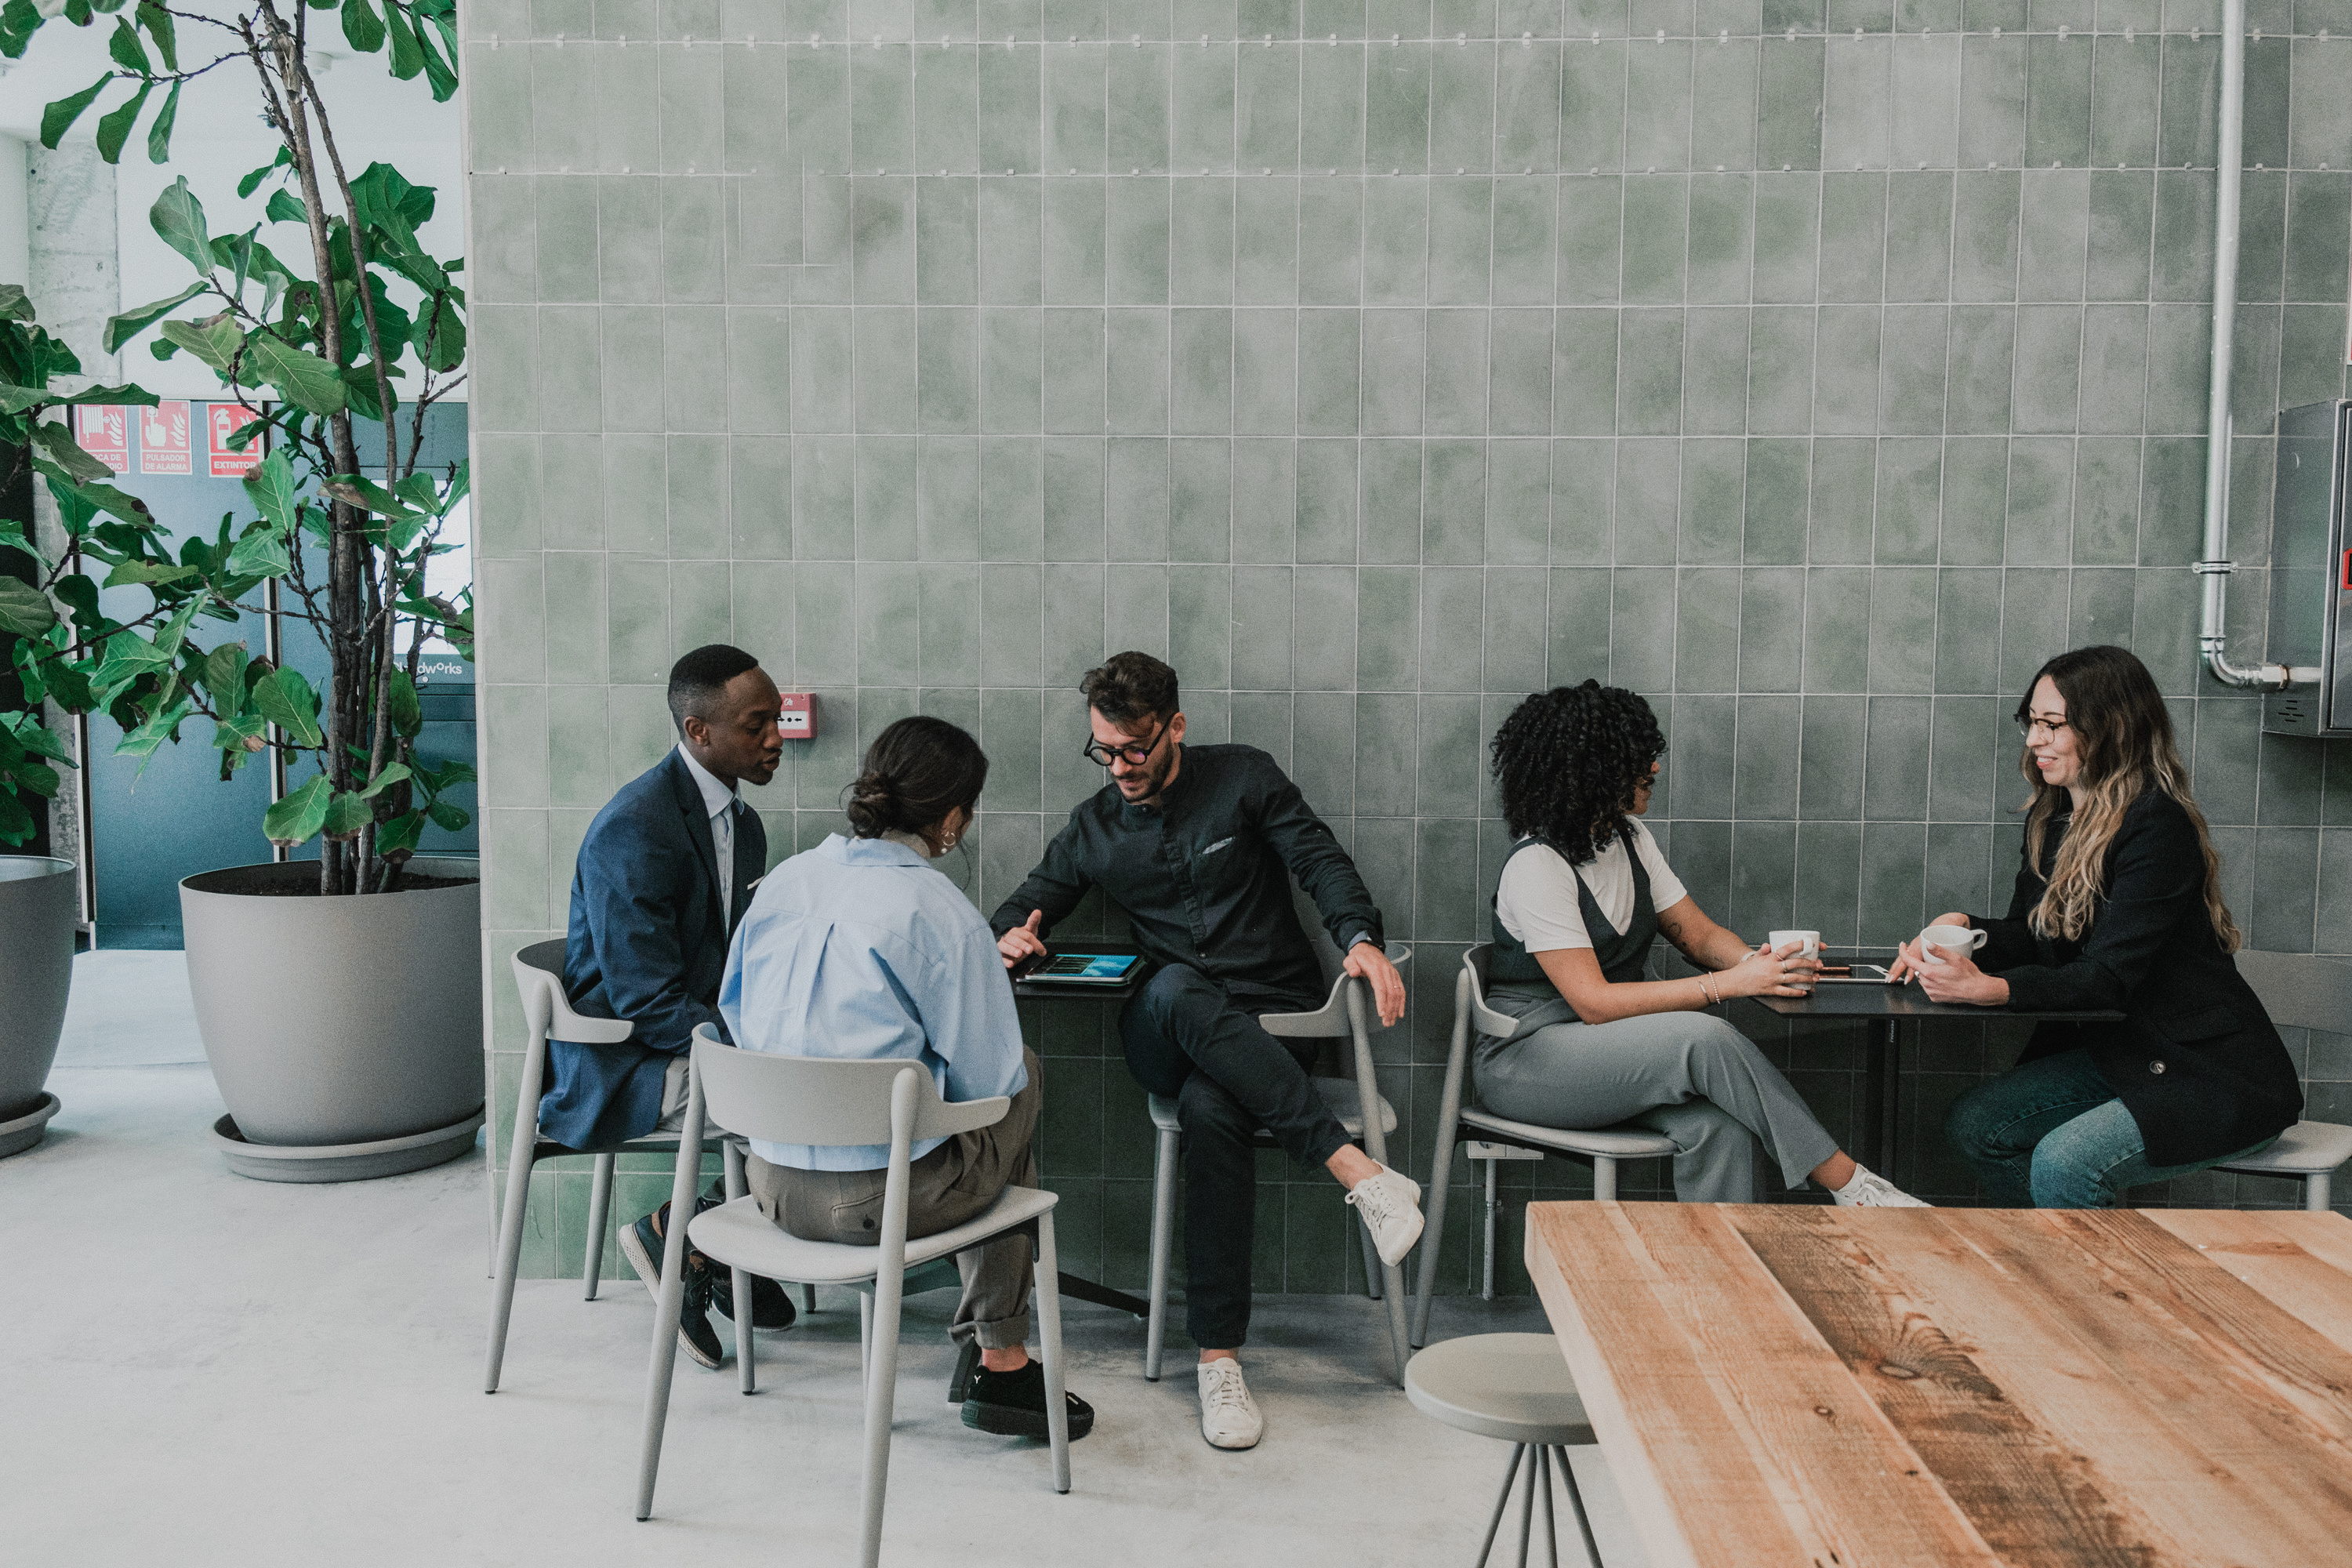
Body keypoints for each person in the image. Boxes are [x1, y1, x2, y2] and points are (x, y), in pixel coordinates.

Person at [991, 652, 1424, 1452]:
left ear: (1176, 728)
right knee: (1176, 986)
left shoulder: (1243, 777)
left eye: (1136, 748)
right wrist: (1010, 935)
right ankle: (1360, 1174)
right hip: (1167, 1025)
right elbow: (1023, 904)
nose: (1121, 767)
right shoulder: (1094, 827)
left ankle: (1218, 1360)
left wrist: (1359, 937)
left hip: (1273, 1027)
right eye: (1104, 751)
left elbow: (1318, 859)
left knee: (1211, 1108)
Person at [722, 716, 1095, 1442]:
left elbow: (736, 1019)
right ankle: (1002, 1359)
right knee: (1022, 1078)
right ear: (952, 818)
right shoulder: (942, 913)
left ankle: (1000, 1351)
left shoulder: (783, 882)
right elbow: (990, 1085)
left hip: (768, 1188)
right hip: (879, 1206)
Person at [1476, 681, 1926, 1208]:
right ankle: (1854, 1188)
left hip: (1606, 1056)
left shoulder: (1629, 839)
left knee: (1725, 1130)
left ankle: (1723, 1263)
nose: (1655, 767)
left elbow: (1698, 935)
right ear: (1593, 769)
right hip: (1527, 1064)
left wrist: (1762, 966)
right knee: (1703, 1037)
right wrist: (1730, 985)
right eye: (1638, 757)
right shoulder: (1537, 864)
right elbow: (1593, 1003)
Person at [1914, 645, 2301, 1207]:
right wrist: (1964, 931)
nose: (2034, 740)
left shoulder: (2156, 826)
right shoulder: (2054, 818)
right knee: (1977, 1125)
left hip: (2211, 1075)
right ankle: (2070, 1253)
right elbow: (2037, 938)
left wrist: (1991, 990)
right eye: (2032, 722)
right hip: (2127, 1056)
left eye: (2053, 724)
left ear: (2110, 729)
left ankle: (2087, 1265)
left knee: (2065, 1162)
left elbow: (2105, 979)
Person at [550, 643, 795, 1370]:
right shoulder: (637, 825)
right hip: (626, 1061)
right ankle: (687, 1235)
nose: (776, 738)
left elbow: (730, 969)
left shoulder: (743, 825)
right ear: (698, 731)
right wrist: (754, 1050)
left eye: (778, 720)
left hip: (684, 1045)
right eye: (756, 725)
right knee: (805, 1105)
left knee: (819, 1080)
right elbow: (646, 1000)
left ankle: (713, 1243)